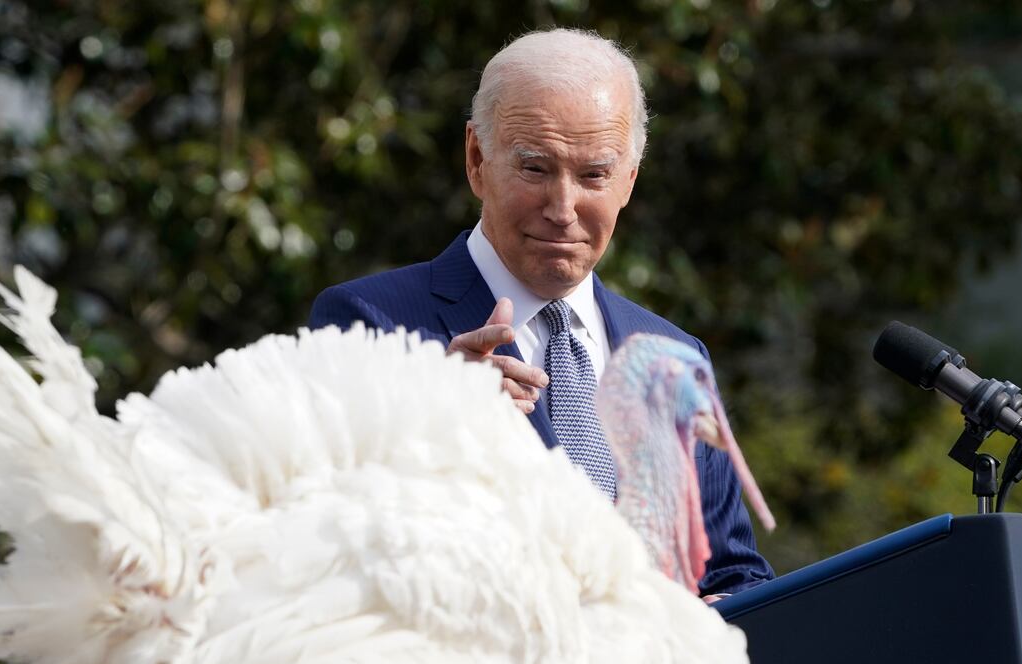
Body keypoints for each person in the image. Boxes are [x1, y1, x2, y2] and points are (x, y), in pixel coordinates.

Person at [309, 28, 773, 596]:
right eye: (535, 168)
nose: (562, 208)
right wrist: (431, 424)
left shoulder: (674, 358)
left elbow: (734, 576)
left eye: (594, 174)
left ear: (629, 180)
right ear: (477, 159)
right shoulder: (371, 325)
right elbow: (321, 548)